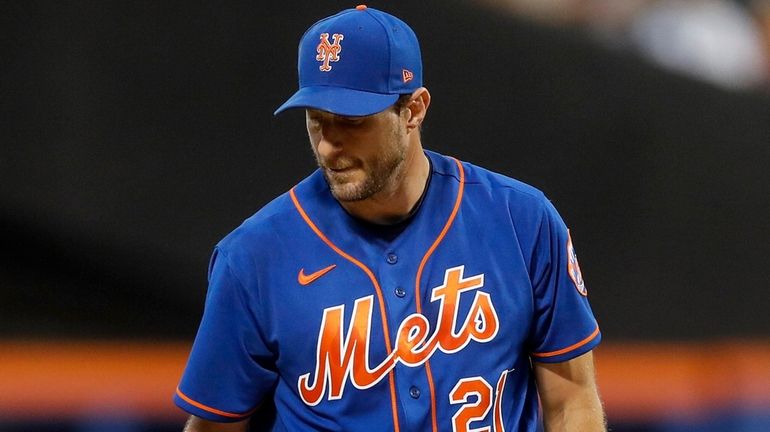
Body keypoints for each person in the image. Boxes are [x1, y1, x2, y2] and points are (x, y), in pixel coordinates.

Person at [174, 5, 605, 431]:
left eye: (351, 121)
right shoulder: (252, 257)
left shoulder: (520, 220)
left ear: (414, 110)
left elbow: (572, 402)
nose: (328, 146)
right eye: (316, 121)